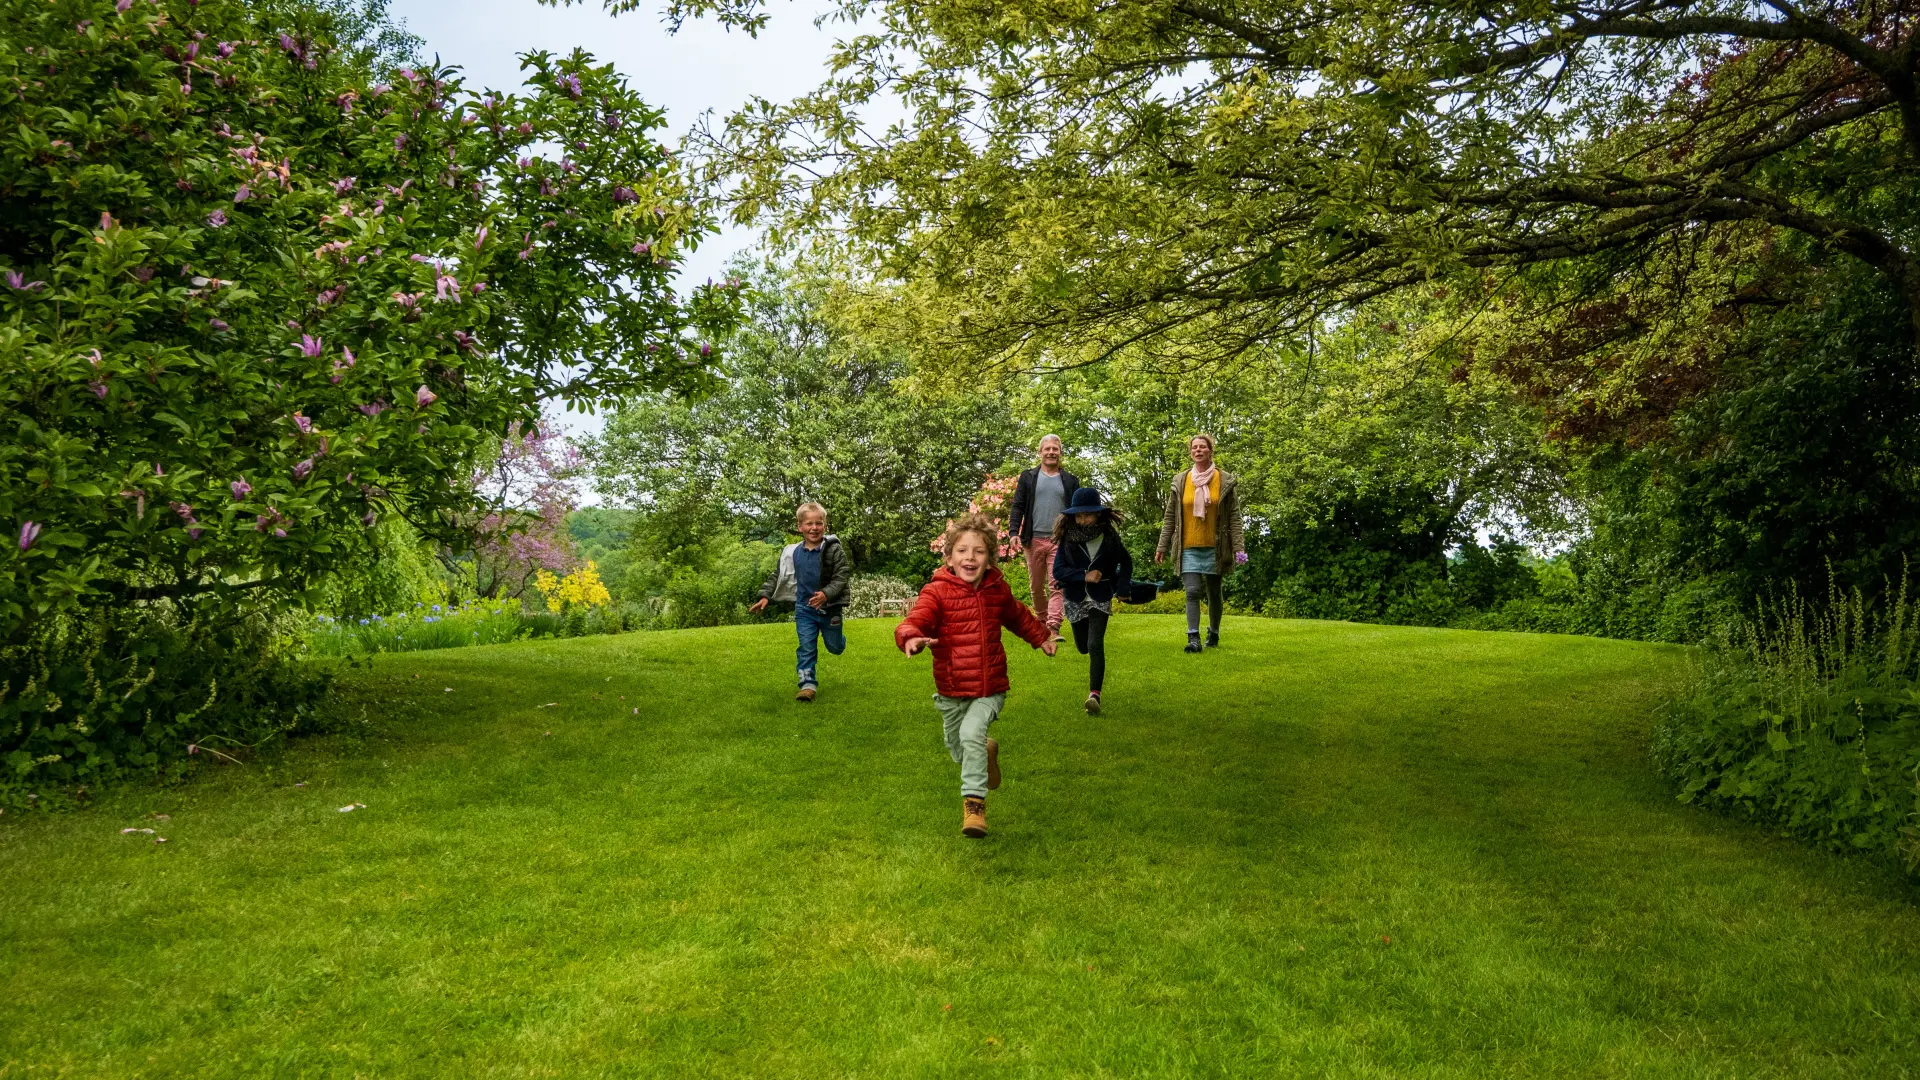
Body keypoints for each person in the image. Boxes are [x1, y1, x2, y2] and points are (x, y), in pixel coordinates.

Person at [896, 513, 1058, 838]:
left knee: (971, 735)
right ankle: (987, 750)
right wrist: (911, 636)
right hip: (951, 689)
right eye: (962, 551)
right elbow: (917, 618)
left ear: (989, 558)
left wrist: (1041, 636)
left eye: (979, 551)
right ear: (949, 557)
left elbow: (1017, 616)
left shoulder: (996, 590)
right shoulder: (936, 592)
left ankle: (974, 808)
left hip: (989, 687)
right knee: (959, 748)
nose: (970, 558)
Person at [750, 502, 851, 701]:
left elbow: (841, 577)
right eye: (809, 524)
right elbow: (778, 576)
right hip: (805, 609)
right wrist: (765, 596)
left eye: (819, 523)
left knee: (835, 648)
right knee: (806, 647)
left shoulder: (833, 550)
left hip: (830, 609)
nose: (814, 528)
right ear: (800, 526)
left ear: (825, 525)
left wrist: (826, 594)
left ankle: (839, 640)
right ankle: (807, 685)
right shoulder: (792, 552)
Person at [1154, 434, 1244, 653]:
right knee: (1192, 591)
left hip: (1216, 547)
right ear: (1191, 452)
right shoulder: (1181, 481)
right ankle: (1193, 637)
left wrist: (1238, 547)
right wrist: (1162, 546)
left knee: (1214, 592)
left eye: (1202, 447)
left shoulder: (1224, 480)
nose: (1198, 450)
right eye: (1194, 447)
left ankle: (1214, 631)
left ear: (1210, 451)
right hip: (1188, 546)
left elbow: (1234, 516)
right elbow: (1170, 517)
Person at [1050, 487, 1133, 715]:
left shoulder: (1110, 537)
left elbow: (1126, 562)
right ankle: (1085, 645)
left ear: (1097, 514)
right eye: (1079, 515)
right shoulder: (1067, 539)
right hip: (1075, 597)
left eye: (1088, 515)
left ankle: (1094, 695)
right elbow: (1058, 571)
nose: (1083, 520)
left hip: (1101, 595)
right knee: (1083, 647)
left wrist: (1122, 588)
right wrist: (1083, 575)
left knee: (1095, 644)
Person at [1005, 434, 1080, 638]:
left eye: (1055, 449)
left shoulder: (1070, 481)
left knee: (1057, 585)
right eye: (1047, 449)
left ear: (1060, 453)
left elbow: (1076, 513)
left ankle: (1053, 627)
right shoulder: (1028, 477)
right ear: (1040, 452)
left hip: (1059, 541)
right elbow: (1018, 506)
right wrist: (1013, 532)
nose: (1051, 452)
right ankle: (1041, 621)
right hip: (1033, 540)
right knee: (1036, 588)